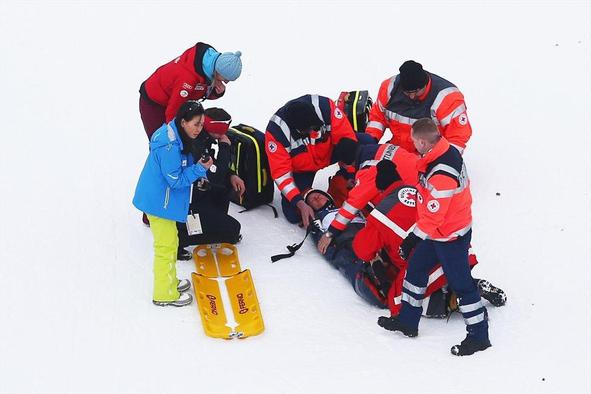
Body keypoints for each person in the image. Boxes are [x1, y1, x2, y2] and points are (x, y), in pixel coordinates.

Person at [377, 118, 490, 356]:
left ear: (422, 141)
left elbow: (434, 216)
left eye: (413, 141)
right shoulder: (441, 152)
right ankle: (408, 321)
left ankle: (479, 336)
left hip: (450, 236)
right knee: (416, 270)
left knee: (462, 286)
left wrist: (412, 239)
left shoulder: (442, 172)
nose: (412, 145)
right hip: (439, 232)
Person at [352, 160, 506, 316]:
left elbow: (362, 250)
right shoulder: (417, 189)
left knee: (398, 301)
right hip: (459, 249)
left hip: (430, 262)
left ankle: (457, 300)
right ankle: (462, 288)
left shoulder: (379, 215)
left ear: (379, 189)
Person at [133, 101, 213, 307]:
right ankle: (164, 294)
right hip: (159, 203)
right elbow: (175, 180)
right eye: (196, 124)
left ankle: (170, 281)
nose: (199, 129)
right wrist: (199, 170)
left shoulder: (177, 135)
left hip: (161, 200)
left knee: (172, 243)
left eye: (201, 124)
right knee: (166, 248)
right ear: (183, 122)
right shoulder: (169, 146)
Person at [264, 94, 362, 228]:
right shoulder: (277, 133)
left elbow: (347, 138)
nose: (314, 132)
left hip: (330, 153)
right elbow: (281, 175)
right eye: (309, 130)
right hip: (302, 170)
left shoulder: (325, 108)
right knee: (293, 213)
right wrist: (300, 202)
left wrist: (350, 174)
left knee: (364, 143)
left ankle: (345, 179)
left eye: (316, 128)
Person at [316, 138, 419, 254]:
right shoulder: (380, 148)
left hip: (415, 204)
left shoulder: (368, 169)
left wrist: (330, 233)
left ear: (344, 163)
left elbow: (352, 205)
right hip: (428, 185)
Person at [176, 107, 244, 259]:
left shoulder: (205, 138)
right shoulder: (197, 143)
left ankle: (207, 221)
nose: (223, 135)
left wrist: (232, 175)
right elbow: (216, 174)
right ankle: (180, 238)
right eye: (220, 131)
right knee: (232, 231)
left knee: (224, 187)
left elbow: (216, 169)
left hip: (199, 195)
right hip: (188, 204)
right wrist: (225, 147)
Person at [139, 42, 243, 139]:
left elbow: (197, 91)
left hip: (174, 98)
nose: (226, 82)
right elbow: (173, 110)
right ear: (218, 71)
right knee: (160, 140)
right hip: (153, 102)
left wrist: (215, 91)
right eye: (225, 79)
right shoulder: (187, 80)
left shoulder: (210, 64)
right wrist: (172, 138)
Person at [365, 60, 472, 154]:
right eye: (407, 92)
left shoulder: (447, 98)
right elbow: (377, 118)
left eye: (416, 91)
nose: (412, 96)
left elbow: (458, 137)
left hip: (430, 156)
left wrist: (445, 161)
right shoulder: (389, 88)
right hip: (397, 151)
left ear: (425, 84)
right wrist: (370, 140)